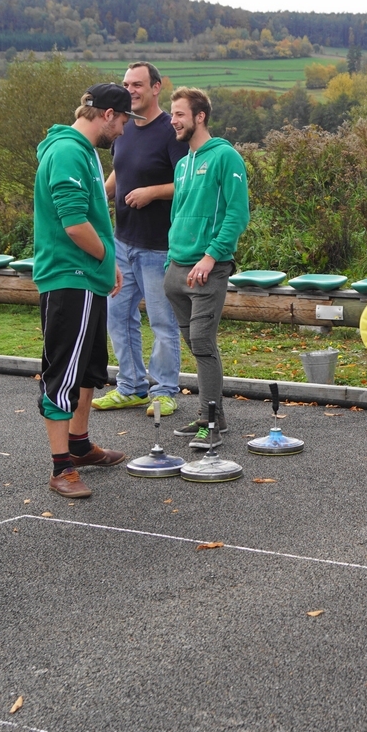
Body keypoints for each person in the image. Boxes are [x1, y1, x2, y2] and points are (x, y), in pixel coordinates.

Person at [33, 84, 141, 498]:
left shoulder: (84, 152)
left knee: (87, 367)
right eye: (125, 120)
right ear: (109, 114)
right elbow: (74, 224)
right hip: (70, 275)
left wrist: (103, 265)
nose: (125, 130)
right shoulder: (67, 151)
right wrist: (107, 261)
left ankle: (78, 445)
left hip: (86, 276)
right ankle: (61, 468)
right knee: (62, 373)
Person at [93, 62, 189, 418]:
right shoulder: (125, 127)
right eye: (126, 84)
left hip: (157, 245)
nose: (130, 90)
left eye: (137, 84)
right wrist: (102, 194)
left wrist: (151, 192)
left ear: (156, 88)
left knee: (162, 322)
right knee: (117, 316)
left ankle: (164, 390)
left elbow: (187, 183)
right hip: (122, 241)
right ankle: (130, 387)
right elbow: (121, 168)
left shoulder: (171, 132)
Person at [163, 87, 250, 450]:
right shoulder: (183, 164)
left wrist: (212, 256)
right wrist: (171, 260)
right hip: (177, 269)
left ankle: (210, 423)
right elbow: (178, 212)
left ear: (199, 116)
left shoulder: (225, 157)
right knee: (197, 345)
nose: (173, 120)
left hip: (207, 269)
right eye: (172, 114)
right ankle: (211, 415)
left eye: (180, 114)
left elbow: (237, 213)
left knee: (202, 342)